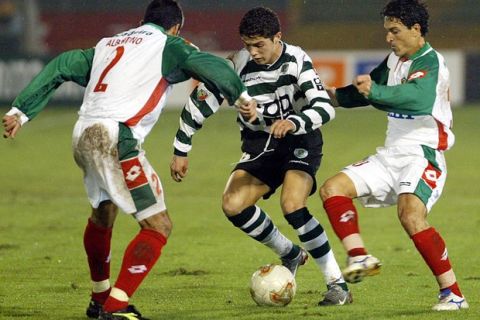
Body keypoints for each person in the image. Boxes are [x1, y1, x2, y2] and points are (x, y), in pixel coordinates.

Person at [2, 1, 256, 319]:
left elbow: (62, 65)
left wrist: (20, 110)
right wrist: (241, 95)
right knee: (158, 226)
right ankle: (117, 306)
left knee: (103, 213)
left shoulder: (108, 44)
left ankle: (100, 299)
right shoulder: (169, 44)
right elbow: (210, 65)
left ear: (141, 21)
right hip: (115, 137)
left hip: (83, 133)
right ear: (176, 27)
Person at [170, 6, 352, 306]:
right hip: (260, 145)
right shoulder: (238, 65)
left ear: (277, 37)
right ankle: (290, 253)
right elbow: (201, 101)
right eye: (247, 45)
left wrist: (293, 121)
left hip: (299, 140)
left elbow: (324, 107)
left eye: (259, 45)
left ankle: (337, 284)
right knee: (232, 204)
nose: (253, 52)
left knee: (292, 205)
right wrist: (181, 149)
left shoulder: (296, 60)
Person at [319, 0, 468, 311]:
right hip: (390, 155)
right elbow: (363, 91)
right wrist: (328, 95)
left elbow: (417, 99)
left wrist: (374, 93)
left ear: (416, 30)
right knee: (333, 188)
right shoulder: (394, 60)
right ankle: (358, 255)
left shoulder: (432, 62)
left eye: (395, 31)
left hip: (424, 154)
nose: (389, 37)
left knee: (410, 214)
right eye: (387, 31)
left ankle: (452, 294)